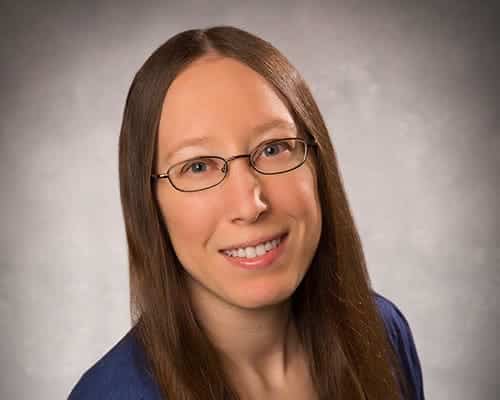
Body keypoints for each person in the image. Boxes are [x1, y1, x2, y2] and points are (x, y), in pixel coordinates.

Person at [68, 25, 425, 400]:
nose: (250, 205)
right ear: (148, 202)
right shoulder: (111, 394)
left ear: (318, 164)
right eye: (198, 166)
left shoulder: (381, 332)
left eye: (273, 149)